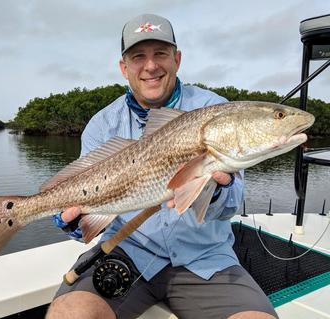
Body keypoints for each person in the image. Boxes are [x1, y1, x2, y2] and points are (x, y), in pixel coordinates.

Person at [47, 13, 278, 319]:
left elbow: (230, 206)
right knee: (69, 314)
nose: (151, 66)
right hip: (127, 252)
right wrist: (72, 223)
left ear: (177, 59)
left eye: (160, 54)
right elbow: (86, 217)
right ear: (124, 68)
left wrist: (217, 190)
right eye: (138, 56)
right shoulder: (102, 124)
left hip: (204, 258)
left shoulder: (214, 110)